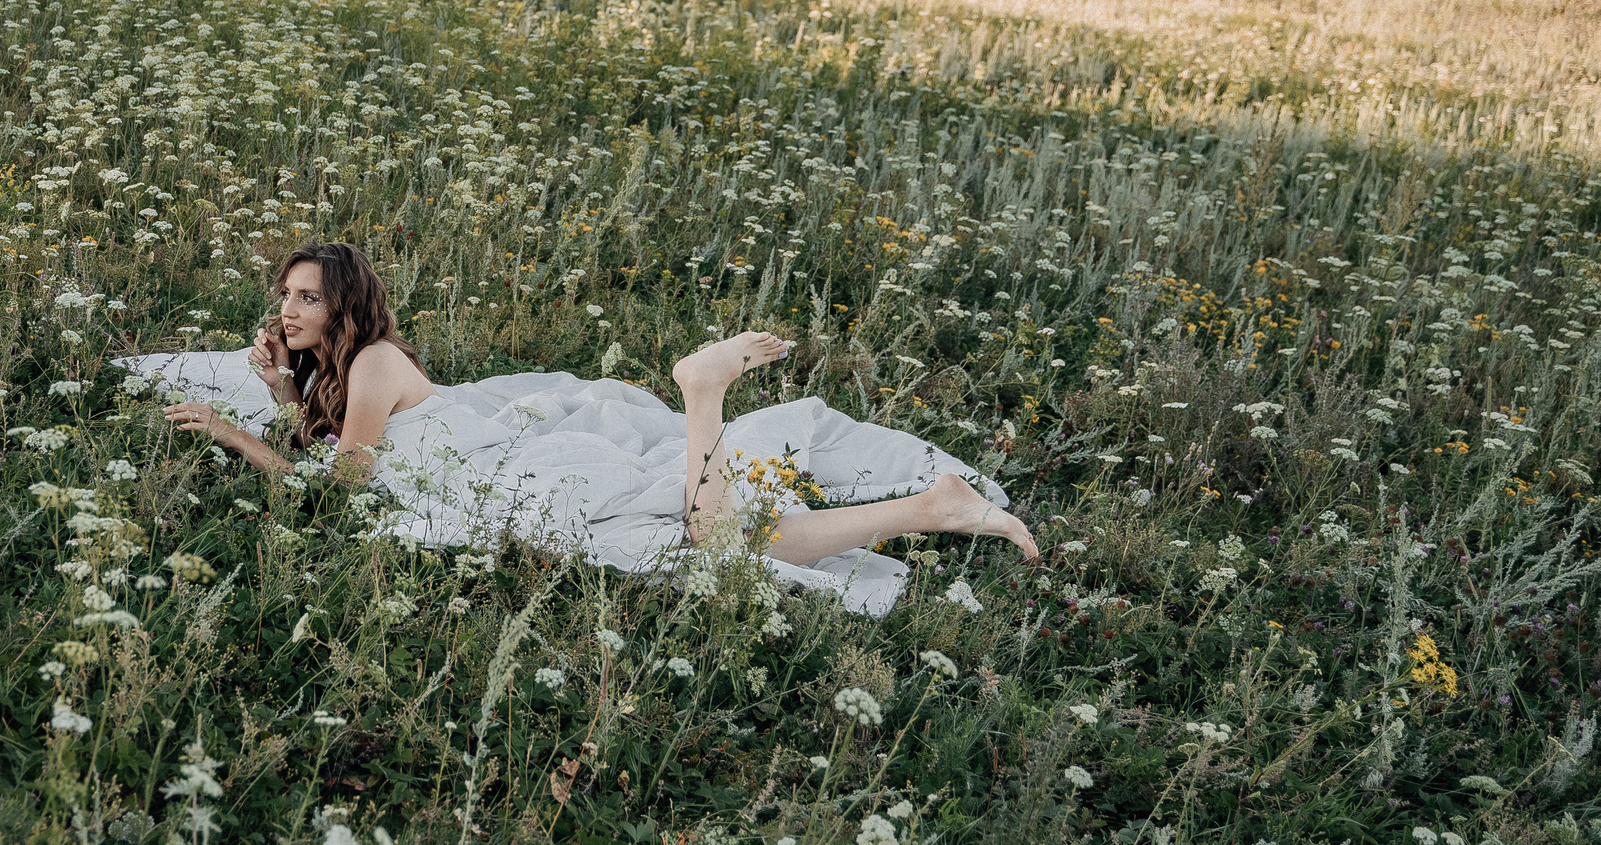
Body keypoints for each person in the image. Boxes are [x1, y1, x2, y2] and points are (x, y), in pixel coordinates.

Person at [126, 241, 1038, 616]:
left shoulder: (367, 366)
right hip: (506, 471)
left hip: (526, 475)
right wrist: (286, 397)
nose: (287, 308)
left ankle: (702, 399)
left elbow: (342, 489)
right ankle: (934, 505)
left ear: (344, 306)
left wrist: (238, 437)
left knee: (708, 540)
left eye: (306, 297)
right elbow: (328, 452)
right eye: (285, 293)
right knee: (718, 541)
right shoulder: (335, 372)